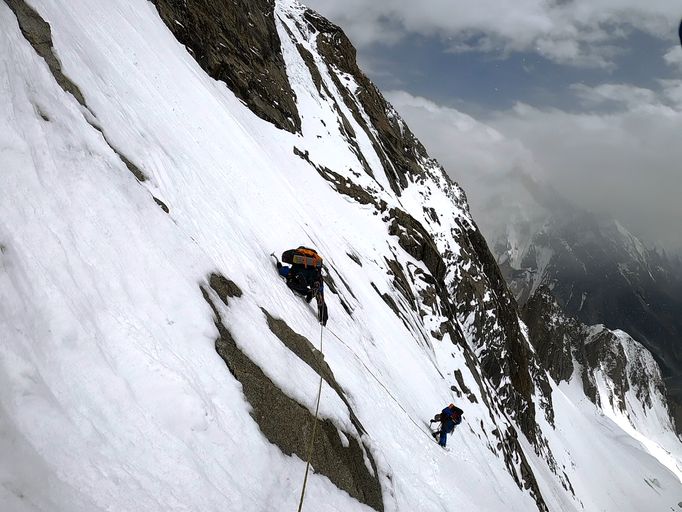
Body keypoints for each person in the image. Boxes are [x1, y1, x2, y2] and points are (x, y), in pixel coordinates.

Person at [276, 247, 328, 326]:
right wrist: (323, 320)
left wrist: (280, 267)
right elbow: (321, 301)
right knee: (320, 296)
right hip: (315, 278)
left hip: (301, 278)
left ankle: (308, 292)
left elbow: (285, 272)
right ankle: (322, 319)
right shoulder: (315, 268)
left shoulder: (297, 266)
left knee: (291, 282)